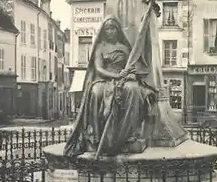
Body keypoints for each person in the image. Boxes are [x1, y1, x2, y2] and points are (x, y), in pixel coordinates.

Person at [64, 16, 156, 157]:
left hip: (123, 78)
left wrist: (127, 73)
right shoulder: (100, 47)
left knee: (133, 90)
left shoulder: (125, 48)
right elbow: (99, 69)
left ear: (118, 30)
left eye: (113, 28)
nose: (110, 31)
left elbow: (133, 66)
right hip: (104, 78)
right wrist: (115, 76)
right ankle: (95, 134)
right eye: (107, 28)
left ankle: (128, 133)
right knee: (95, 93)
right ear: (104, 31)